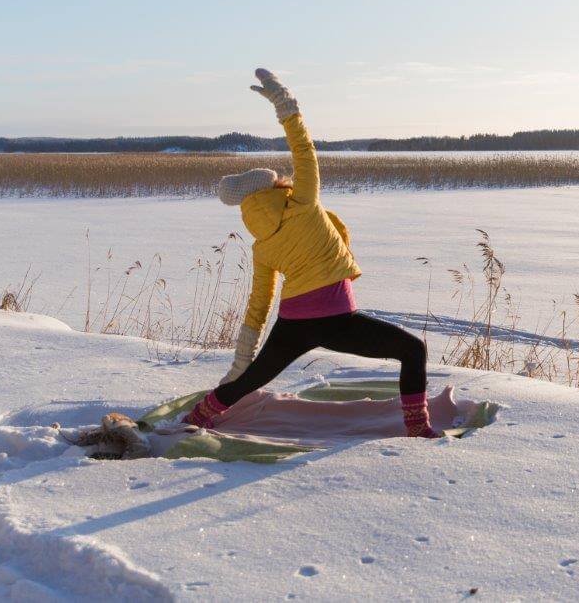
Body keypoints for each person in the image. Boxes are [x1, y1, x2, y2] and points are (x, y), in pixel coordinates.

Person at [183, 68, 441, 438]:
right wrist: (284, 103)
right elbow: (303, 148)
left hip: (293, 325)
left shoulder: (262, 245)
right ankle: (417, 427)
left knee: (251, 380)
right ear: (276, 185)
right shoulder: (303, 200)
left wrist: (241, 365)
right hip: (338, 321)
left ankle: (198, 416)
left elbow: (259, 305)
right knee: (413, 350)